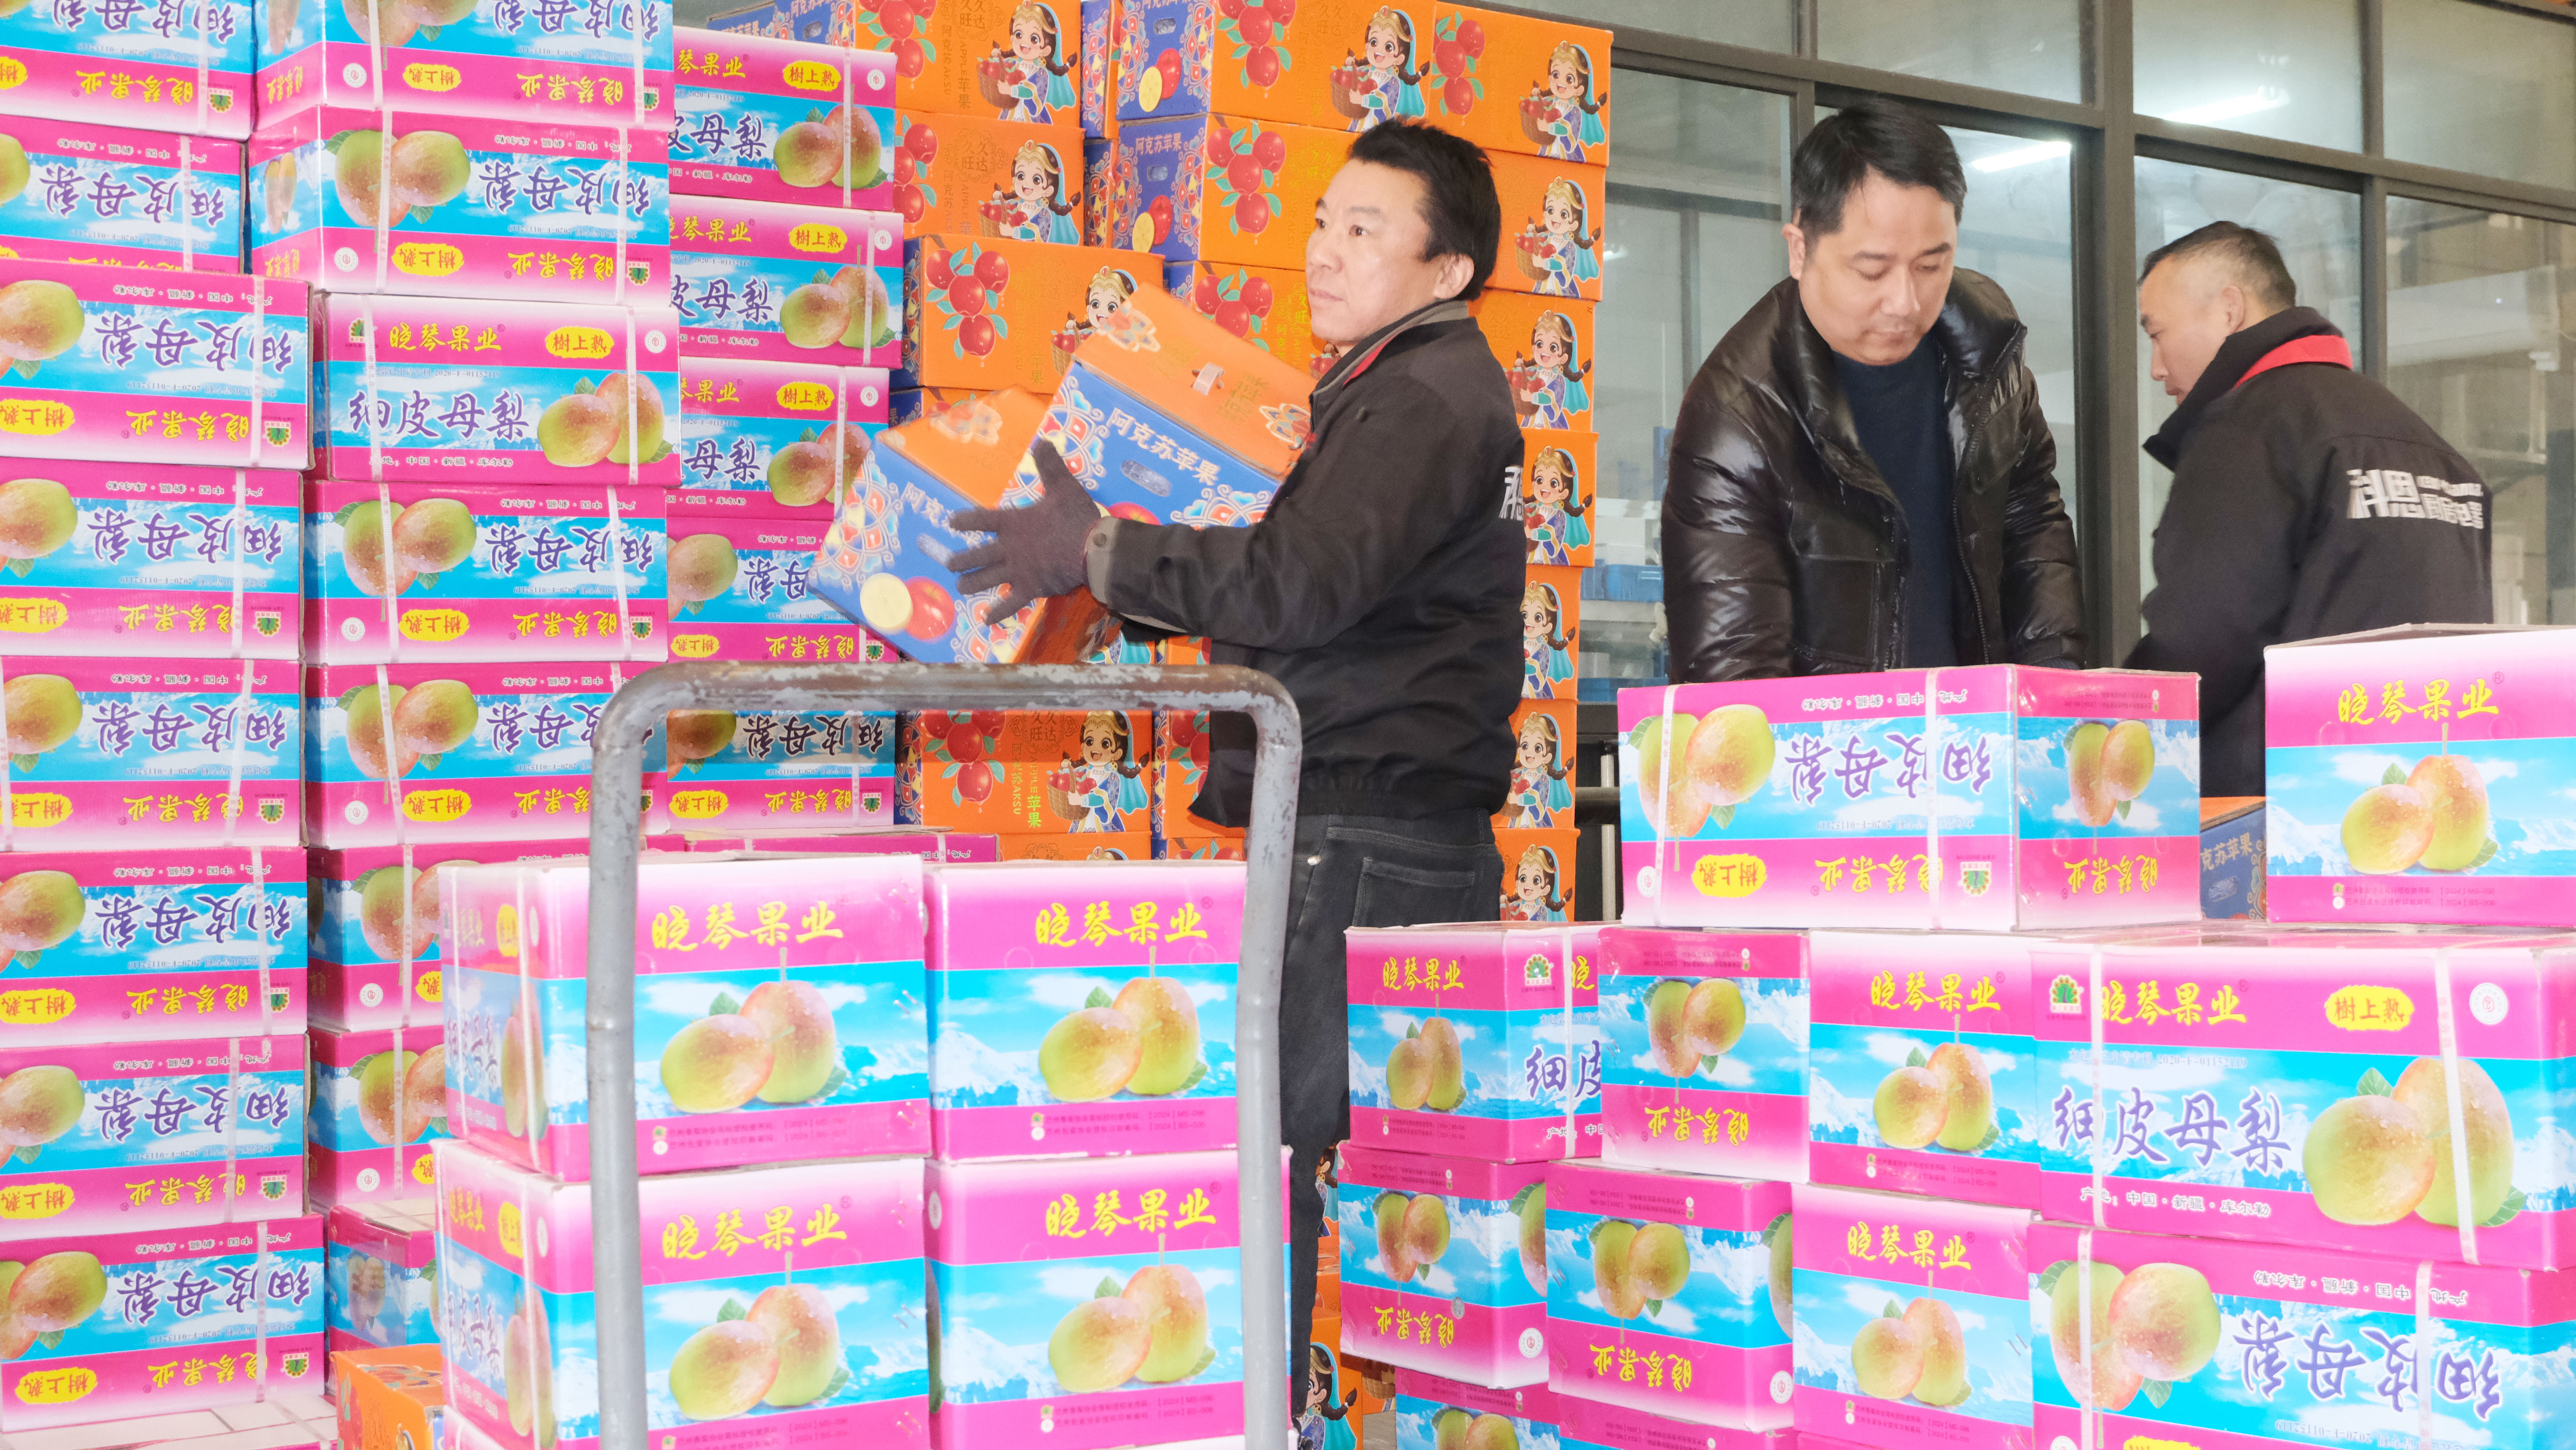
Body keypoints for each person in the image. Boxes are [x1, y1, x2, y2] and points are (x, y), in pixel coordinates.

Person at [943, 118, 1525, 1413]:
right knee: (1341, 1157)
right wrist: (1111, 567)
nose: (1322, 250)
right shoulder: (1393, 386)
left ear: (1446, 270)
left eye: (1364, 230)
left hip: (1360, 834)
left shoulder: (1420, 399)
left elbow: (1298, 584)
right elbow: (1318, 588)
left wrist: (1101, 554)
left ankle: (1260, 1418)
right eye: (1320, 220)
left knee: (1273, 1151)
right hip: (1376, 829)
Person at [1663, 97, 2084, 681]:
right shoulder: (1737, 417)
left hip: (1979, 733)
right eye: (1872, 270)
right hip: (1839, 740)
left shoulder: (1988, 354)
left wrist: (2054, 695)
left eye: (1932, 266)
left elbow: (2033, 524)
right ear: (1799, 249)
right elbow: (1737, 677)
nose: (1905, 302)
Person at [2128, 222, 2492, 794]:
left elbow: (2205, 636)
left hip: (2281, 807)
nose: (2156, 366)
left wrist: (2115, 720)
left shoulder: (2249, 428)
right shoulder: (2429, 447)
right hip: (2422, 789)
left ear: (2230, 309)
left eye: (2157, 333)